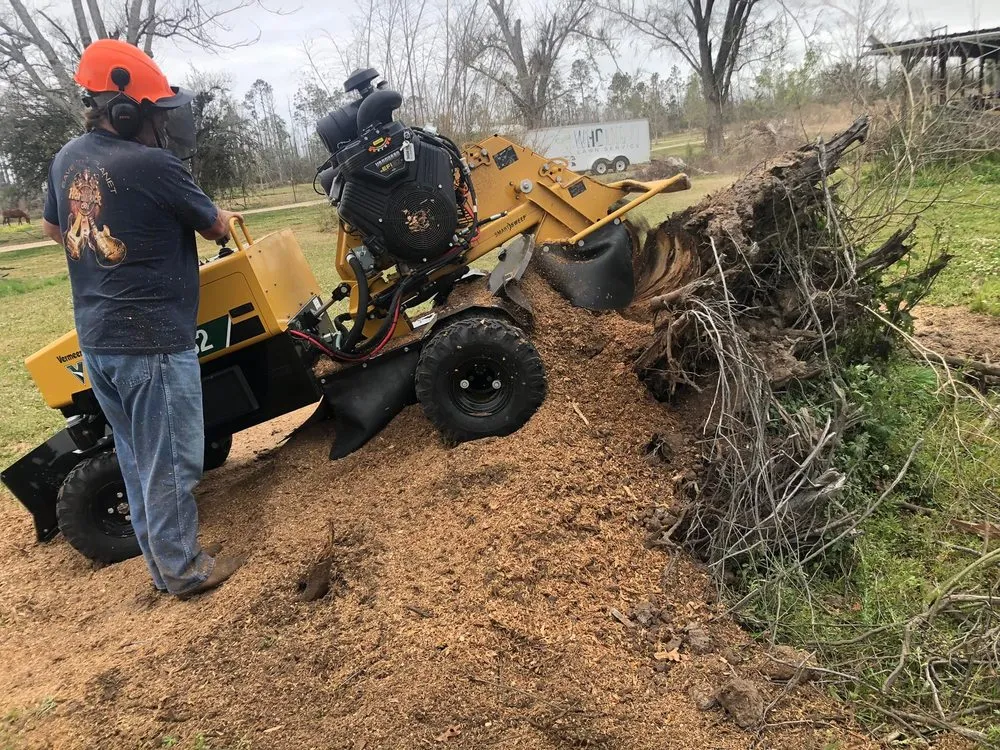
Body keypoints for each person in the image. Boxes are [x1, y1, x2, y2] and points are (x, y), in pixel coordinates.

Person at [41, 39, 245, 600]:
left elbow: (55, 231)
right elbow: (216, 228)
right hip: (151, 342)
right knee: (172, 462)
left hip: (100, 342)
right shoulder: (154, 165)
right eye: (155, 114)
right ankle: (185, 571)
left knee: (137, 457)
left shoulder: (66, 161)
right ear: (125, 110)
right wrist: (225, 215)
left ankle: (163, 567)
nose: (162, 127)